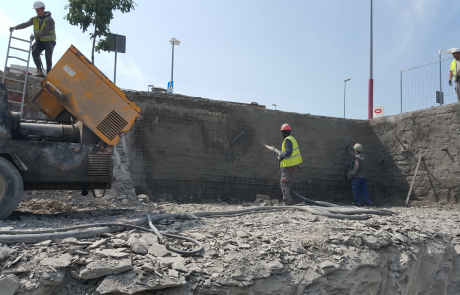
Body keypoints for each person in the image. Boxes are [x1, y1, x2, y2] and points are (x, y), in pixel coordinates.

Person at [10, 1, 56, 77]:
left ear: (43, 9)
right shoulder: (35, 19)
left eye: (38, 10)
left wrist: (35, 36)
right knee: (34, 52)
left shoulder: (50, 20)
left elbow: (45, 31)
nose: (37, 12)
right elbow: (26, 24)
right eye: (36, 10)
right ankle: (40, 72)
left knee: (48, 57)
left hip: (49, 42)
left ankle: (48, 76)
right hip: (40, 41)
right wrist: (15, 27)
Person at [277, 123, 302, 206]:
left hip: (287, 165)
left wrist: (281, 157)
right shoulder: (292, 139)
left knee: (284, 183)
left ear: (284, 132)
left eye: (282, 132)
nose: (282, 134)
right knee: (286, 183)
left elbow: (288, 152)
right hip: (290, 165)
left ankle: (287, 203)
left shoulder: (288, 140)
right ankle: (288, 201)